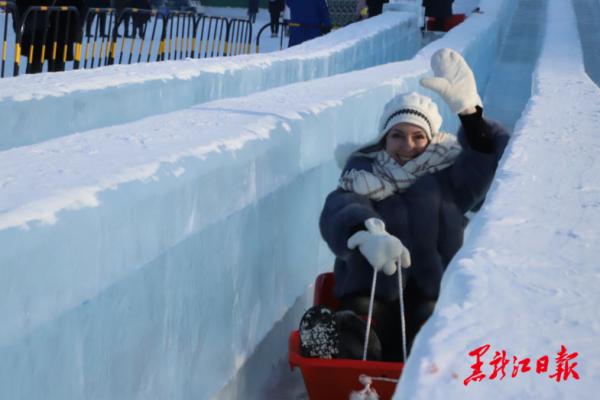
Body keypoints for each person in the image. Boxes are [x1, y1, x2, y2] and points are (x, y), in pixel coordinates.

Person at [318, 48, 509, 361]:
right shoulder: (362, 174)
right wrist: (365, 233)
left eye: (418, 136)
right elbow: (340, 208)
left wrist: (471, 116)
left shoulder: (449, 178)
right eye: (397, 135)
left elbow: (483, 165)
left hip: (431, 292)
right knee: (361, 324)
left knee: (431, 333)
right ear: (384, 138)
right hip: (372, 286)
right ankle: (340, 351)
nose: (407, 146)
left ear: (431, 140)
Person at [15, 0, 86, 73]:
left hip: (60, 30)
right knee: (36, 67)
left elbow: (81, 7)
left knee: (55, 68)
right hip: (39, 31)